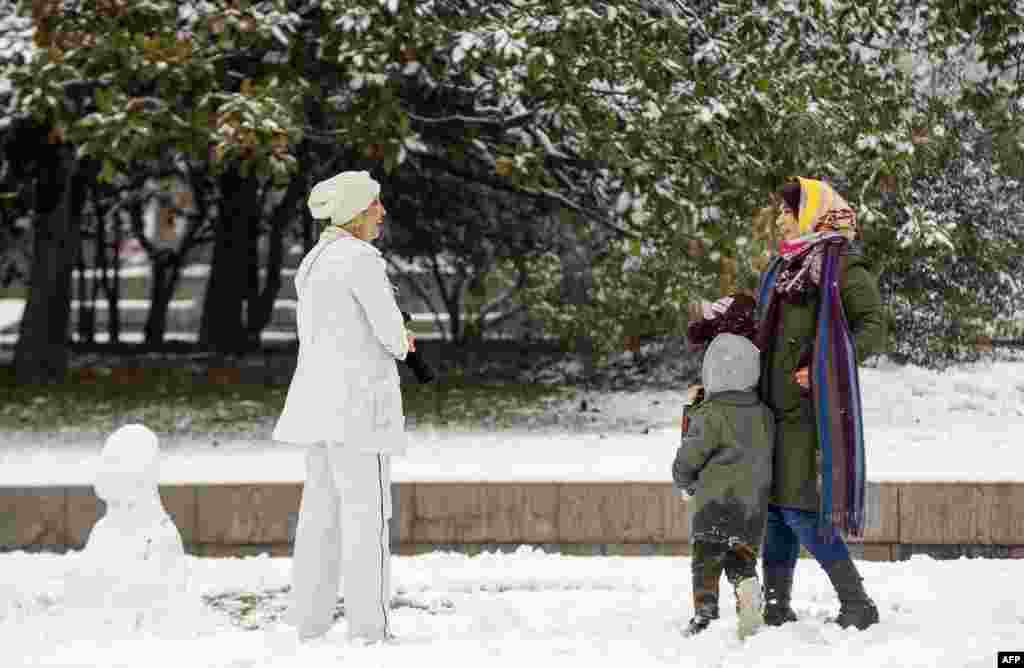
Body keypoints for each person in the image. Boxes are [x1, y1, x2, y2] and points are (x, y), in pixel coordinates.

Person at [272, 170, 414, 643]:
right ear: (355, 212)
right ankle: (370, 630)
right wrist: (404, 339)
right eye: (375, 204)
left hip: (317, 408)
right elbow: (391, 335)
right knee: (366, 518)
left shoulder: (313, 262)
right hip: (359, 412)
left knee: (320, 519)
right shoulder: (360, 259)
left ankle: (309, 623)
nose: (382, 212)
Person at [754, 177, 885, 631]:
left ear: (811, 213)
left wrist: (824, 368)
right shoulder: (783, 266)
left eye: (788, 212)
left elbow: (872, 327)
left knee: (800, 509)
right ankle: (776, 605)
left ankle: (857, 603)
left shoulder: (842, 264)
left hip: (813, 411)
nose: (780, 220)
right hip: (770, 409)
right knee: (775, 510)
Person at [673, 295, 775, 640]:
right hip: (751, 507)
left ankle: (704, 612)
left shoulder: (711, 413)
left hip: (713, 503)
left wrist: (683, 478)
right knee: (741, 558)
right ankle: (747, 588)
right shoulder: (764, 415)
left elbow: (691, 453)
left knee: (705, 560)